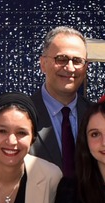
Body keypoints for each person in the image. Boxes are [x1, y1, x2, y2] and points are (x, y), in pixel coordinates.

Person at [28, 26, 91, 171]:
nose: (70, 68)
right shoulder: (23, 114)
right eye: (61, 59)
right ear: (43, 64)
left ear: (86, 67)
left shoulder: (95, 115)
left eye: (77, 61)